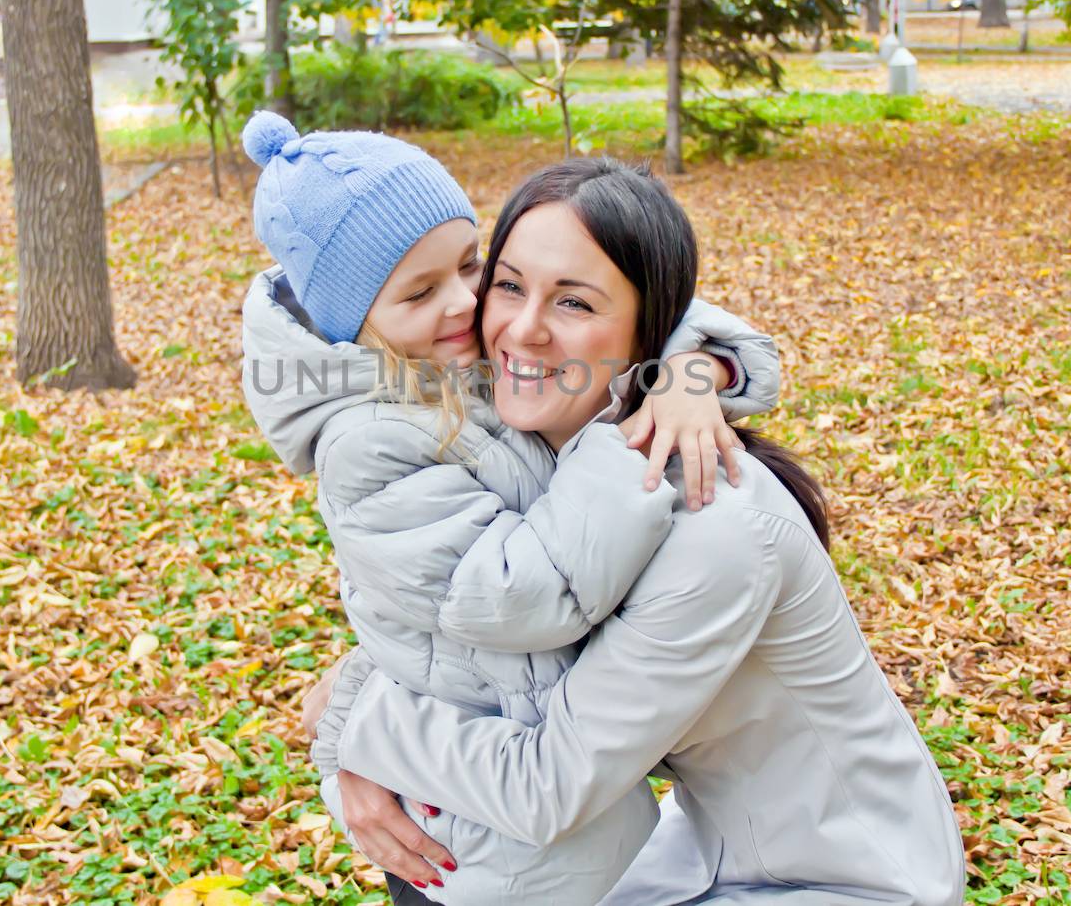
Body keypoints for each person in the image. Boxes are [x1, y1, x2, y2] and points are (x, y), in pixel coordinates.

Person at [308, 157, 967, 905]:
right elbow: (480, 616)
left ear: (645, 329)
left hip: (847, 883)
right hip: (708, 853)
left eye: (576, 304)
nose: (522, 330)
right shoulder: (570, 463)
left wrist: (358, 723)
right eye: (511, 284)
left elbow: (544, 785)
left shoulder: (713, 530)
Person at [237, 114, 781, 904]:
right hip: (477, 840)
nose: (465, 302)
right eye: (420, 291)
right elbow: (519, 595)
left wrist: (691, 373)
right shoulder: (368, 443)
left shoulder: (456, 360)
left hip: (565, 814)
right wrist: (623, 436)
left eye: (471, 265)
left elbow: (660, 320)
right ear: (350, 326)